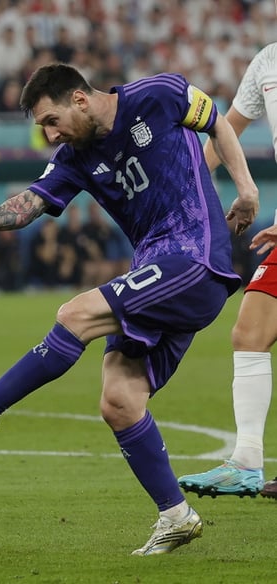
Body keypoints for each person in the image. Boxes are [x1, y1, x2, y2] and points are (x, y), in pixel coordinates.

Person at [0, 63, 259, 556]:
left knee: (75, 313)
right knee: (119, 400)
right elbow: (30, 203)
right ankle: (176, 516)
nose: (49, 135)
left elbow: (216, 120)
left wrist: (246, 189)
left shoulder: (158, 94)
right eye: (41, 128)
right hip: (157, 269)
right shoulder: (74, 157)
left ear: (80, 99)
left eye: (51, 120)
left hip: (194, 256)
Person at [177, 40, 277, 501]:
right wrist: (183, 188)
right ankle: (247, 462)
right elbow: (224, 131)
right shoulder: (266, 62)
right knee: (250, 331)